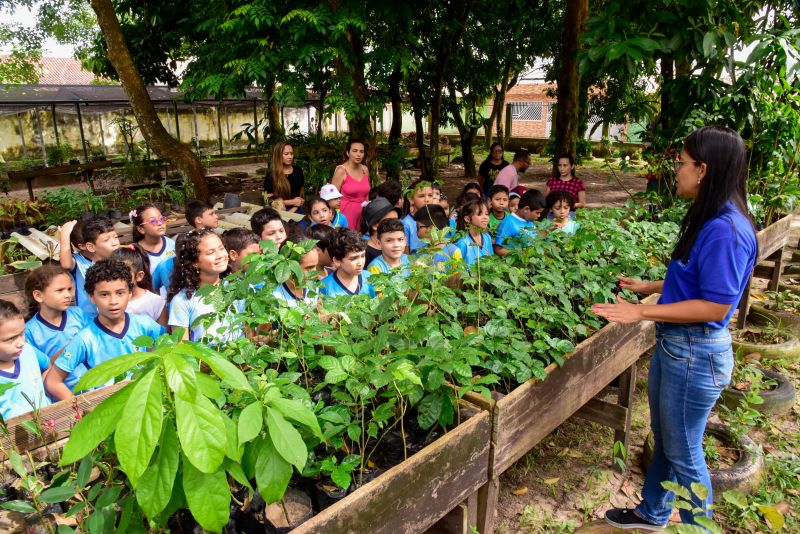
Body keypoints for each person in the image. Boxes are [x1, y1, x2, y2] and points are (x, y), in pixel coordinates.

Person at [592, 126, 757, 531]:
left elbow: (717, 304)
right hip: (680, 349)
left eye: (681, 164)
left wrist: (641, 313)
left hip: (695, 354)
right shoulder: (713, 216)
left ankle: (700, 528)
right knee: (667, 439)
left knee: (684, 452)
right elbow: (701, 281)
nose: (676, 171)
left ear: (703, 169)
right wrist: (648, 288)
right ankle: (653, 512)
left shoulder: (726, 229)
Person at [45, 259, 166, 400]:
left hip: (145, 400)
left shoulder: (145, 324)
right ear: (91, 296)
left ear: (130, 293)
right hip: (107, 408)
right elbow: (53, 382)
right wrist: (82, 409)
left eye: (120, 293)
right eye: (104, 294)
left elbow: (167, 349)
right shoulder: (85, 338)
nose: (113, 301)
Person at [168, 229, 242, 344]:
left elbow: (248, 331)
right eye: (210, 252)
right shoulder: (182, 301)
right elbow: (181, 347)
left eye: (221, 248)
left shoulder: (236, 287)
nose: (220, 255)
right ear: (194, 263)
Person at [24, 265, 89, 387]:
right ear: (38, 296)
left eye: (69, 289)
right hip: (59, 392)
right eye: (60, 290)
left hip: (91, 384)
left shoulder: (79, 314)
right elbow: (37, 369)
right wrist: (71, 348)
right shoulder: (29, 331)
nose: (67, 295)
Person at [59, 217, 120, 316]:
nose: (114, 243)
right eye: (106, 240)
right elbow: (66, 264)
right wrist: (65, 234)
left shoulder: (117, 258)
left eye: (116, 237)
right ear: (86, 246)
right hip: (87, 318)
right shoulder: (79, 261)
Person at [0, 301, 50, 419]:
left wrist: (40, 391)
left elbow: (48, 366)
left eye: (22, 333)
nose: (21, 342)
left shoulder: (28, 351)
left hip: (49, 423)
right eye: (11, 338)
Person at [110, 245, 168, 326]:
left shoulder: (156, 302)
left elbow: (164, 336)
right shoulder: (108, 302)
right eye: (113, 272)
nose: (117, 278)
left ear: (139, 276)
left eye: (124, 273)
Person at [320, 228, 376, 298]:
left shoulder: (369, 277)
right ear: (337, 261)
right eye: (353, 258)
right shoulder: (324, 286)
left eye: (362, 256)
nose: (360, 263)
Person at [272, 231, 320, 308]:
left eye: (316, 266)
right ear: (291, 266)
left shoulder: (312, 288)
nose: (315, 272)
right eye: (309, 267)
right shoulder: (275, 296)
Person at [331, 139, 370, 231]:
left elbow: (367, 194)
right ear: (348, 153)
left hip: (363, 215)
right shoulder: (341, 170)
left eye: (361, 151)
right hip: (346, 214)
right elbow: (332, 197)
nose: (358, 154)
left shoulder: (365, 169)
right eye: (355, 151)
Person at [493, 189, 545, 256]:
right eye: (537, 212)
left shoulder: (530, 221)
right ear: (526, 209)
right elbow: (498, 250)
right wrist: (520, 254)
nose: (539, 215)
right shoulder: (508, 223)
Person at [130, 203, 177, 276]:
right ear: (141, 229)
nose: (159, 223)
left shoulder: (172, 244)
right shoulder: (135, 252)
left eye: (161, 219)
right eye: (153, 221)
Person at [265, 141, 305, 213]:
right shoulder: (271, 176)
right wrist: (291, 202)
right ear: (278, 155)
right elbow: (268, 200)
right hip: (278, 211)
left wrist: (296, 206)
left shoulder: (298, 170)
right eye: (286, 154)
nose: (290, 157)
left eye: (291, 153)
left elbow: (301, 192)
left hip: (297, 209)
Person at [362, 197, 400, 265]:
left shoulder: (397, 245)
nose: (395, 225)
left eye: (396, 220)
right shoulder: (364, 253)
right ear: (375, 225)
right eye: (390, 221)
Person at [455, 200, 493, 266]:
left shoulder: (487, 237)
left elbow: (492, 261)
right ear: (467, 219)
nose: (485, 217)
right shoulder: (463, 243)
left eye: (486, 214)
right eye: (480, 214)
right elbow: (458, 270)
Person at [402, 179, 434, 254]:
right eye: (421, 196)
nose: (427, 200)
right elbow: (405, 255)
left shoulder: (433, 220)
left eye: (430, 195)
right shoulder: (406, 224)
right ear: (411, 199)